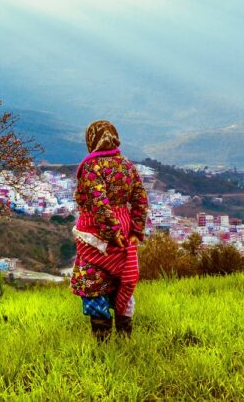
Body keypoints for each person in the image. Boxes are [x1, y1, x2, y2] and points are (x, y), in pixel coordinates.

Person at [69, 120, 149, 340]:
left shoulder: (90, 167)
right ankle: (125, 337)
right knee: (121, 278)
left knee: (94, 282)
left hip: (95, 235)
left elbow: (99, 202)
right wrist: (134, 231)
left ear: (91, 141)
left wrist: (111, 233)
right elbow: (140, 199)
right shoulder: (126, 165)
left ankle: (103, 341)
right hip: (124, 230)